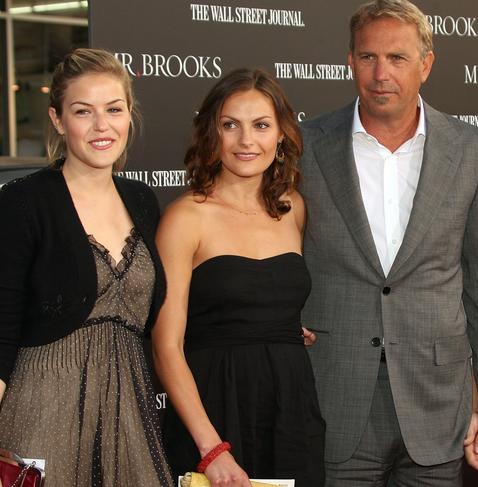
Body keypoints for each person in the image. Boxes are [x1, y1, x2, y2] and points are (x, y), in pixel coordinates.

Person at [298, 0, 478, 485]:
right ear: (349, 60)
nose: (381, 73)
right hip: (336, 395)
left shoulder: (472, 149)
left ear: (426, 64)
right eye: (368, 57)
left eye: (397, 58)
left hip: (438, 403)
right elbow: (269, 248)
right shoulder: (303, 145)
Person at [0, 48, 174, 486]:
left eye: (114, 109)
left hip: (131, 420)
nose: (102, 126)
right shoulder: (23, 202)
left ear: (129, 114)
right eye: (83, 112)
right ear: (58, 120)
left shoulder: (142, 201)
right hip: (42, 415)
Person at [152, 68, 325, 486]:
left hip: (290, 409)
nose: (247, 141)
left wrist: (277, 324)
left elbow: (266, 295)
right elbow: (166, 347)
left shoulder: (292, 208)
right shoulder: (186, 217)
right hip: (214, 409)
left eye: (261, 125)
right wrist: (211, 448)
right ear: (212, 133)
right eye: (231, 125)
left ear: (281, 134)